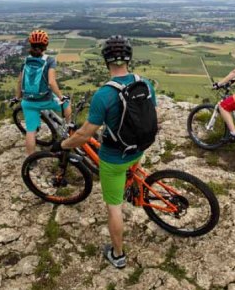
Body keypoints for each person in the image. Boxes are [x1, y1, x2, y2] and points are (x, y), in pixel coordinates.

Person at [53, 35, 157, 269]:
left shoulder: (104, 94)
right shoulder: (145, 83)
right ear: (129, 58)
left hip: (113, 158)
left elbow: (84, 134)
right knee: (133, 168)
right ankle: (135, 187)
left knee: (114, 207)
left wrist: (62, 146)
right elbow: (150, 115)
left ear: (106, 60)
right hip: (140, 148)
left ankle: (118, 255)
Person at [14, 29, 71, 156]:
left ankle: (31, 160)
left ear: (31, 44)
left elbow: (19, 81)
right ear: (46, 45)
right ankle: (69, 130)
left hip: (28, 102)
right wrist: (62, 97)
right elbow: (51, 82)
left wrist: (18, 97)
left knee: (31, 131)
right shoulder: (50, 60)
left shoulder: (26, 61)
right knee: (67, 104)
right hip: (45, 100)